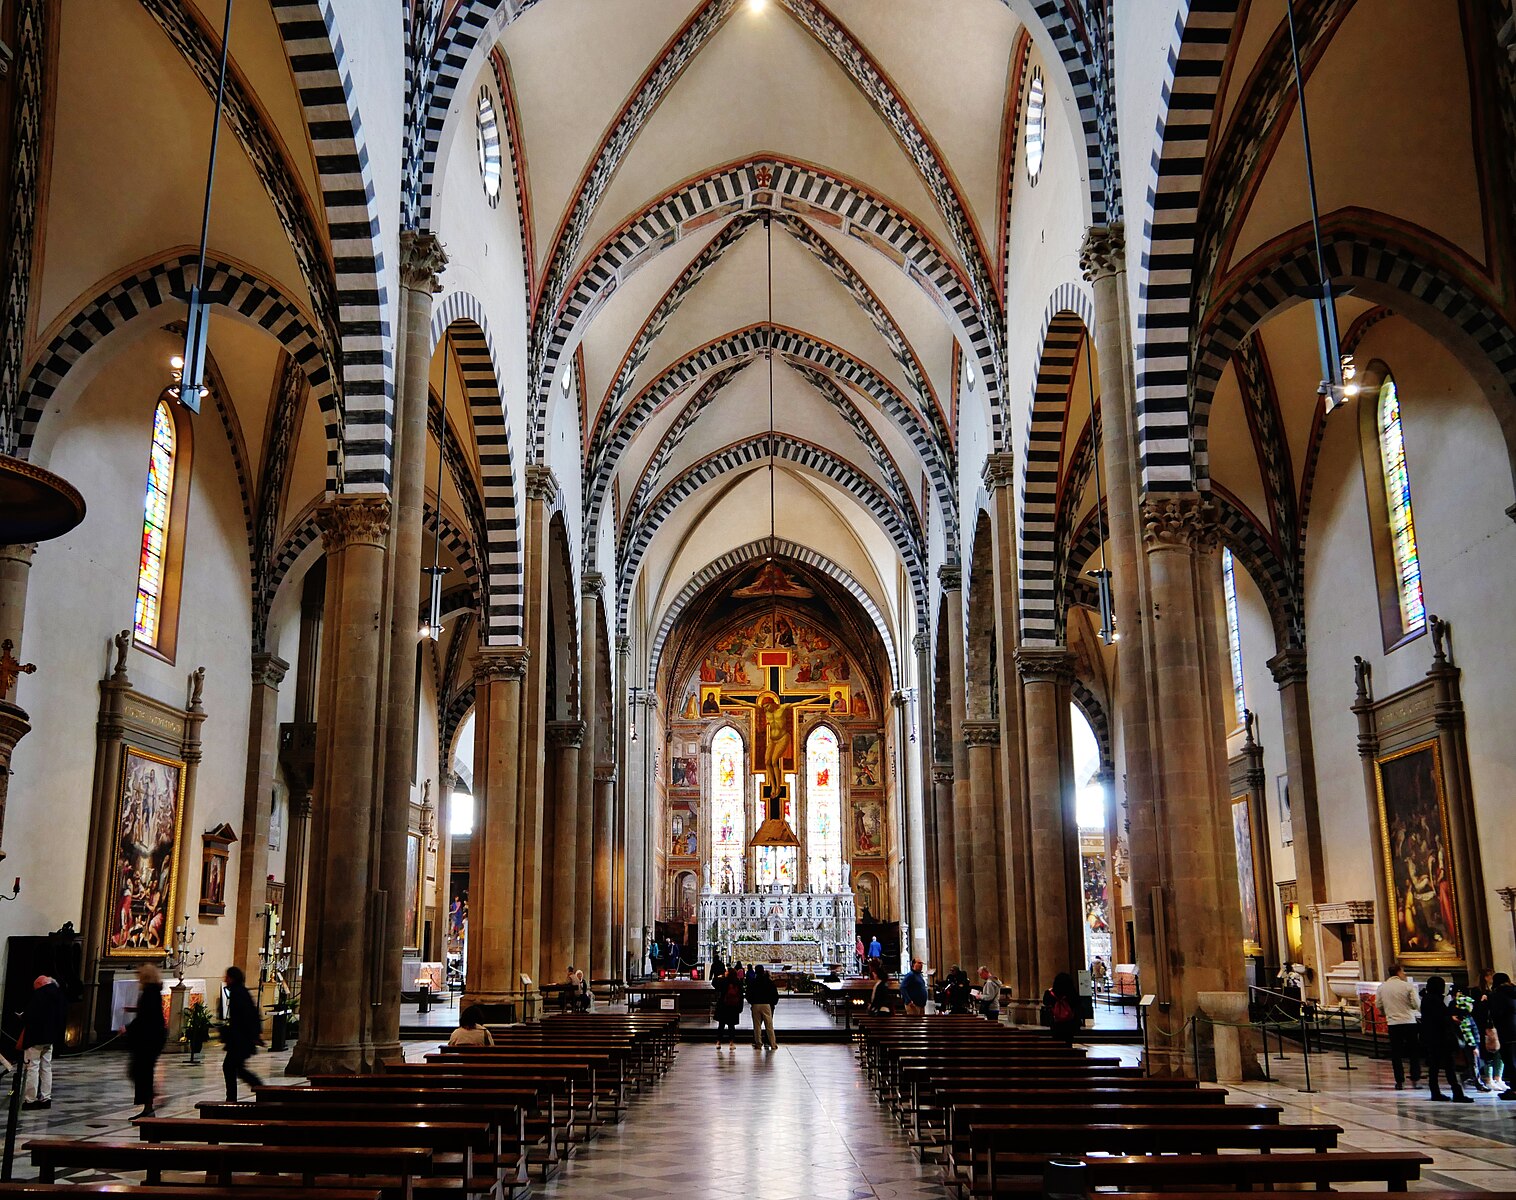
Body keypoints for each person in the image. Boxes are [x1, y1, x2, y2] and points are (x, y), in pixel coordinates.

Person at [1420, 975, 1471, 1101]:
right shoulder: (1434, 1000)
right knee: (1448, 1066)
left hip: (1432, 1037)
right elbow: (1439, 1019)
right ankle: (1456, 1092)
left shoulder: (1428, 998)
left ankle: (1437, 1091)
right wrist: (1451, 1019)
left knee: (1435, 1066)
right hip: (1440, 1038)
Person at [20, 974, 67, 1111]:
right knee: (46, 1067)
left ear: (40, 984)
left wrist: (23, 1017)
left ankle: (30, 1100)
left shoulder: (40, 995)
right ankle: (46, 1098)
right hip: (51, 1037)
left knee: (32, 1067)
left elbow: (30, 1014)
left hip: (35, 1037)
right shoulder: (59, 994)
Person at [125, 964, 166, 1119]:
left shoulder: (150, 992)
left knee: (140, 1071)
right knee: (141, 1072)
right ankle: (149, 1105)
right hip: (152, 1037)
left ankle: (151, 1102)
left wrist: (127, 1028)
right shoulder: (152, 991)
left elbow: (146, 1018)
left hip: (149, 1039)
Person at [222, 966, 264, 1102]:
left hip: (241, 1040)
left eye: (227, 977)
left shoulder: (238, 993)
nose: (225, 980)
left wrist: (252, 1036)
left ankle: (234, 1097)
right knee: (235, 1068)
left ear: (232, 978)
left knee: (230, 1067)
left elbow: (245, 1017)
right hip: (241, 1039)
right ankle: (259, 1090)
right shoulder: (239, 991)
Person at [1377, 961, 1421, 1090]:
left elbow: (1379, 1005)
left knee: (1396, 1053)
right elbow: (1416, 1004)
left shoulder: (1382, 987)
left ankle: (1399, 1081)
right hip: (1409, 1021)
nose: (1404, 974)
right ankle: (1415, 1078)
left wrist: (1386, 1013)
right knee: (1414, 1052)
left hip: (1393, 1023)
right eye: (1403, 971)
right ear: (1398, 972)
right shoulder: (1407, 986)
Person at [1491, 973, 1516, 1100]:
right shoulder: (1514, 991)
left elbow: (1496, 1014)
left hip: (1507, 1031)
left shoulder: (1498, 994)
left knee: (1510, 1062)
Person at [1043, 972, 1080, 1045]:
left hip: (1056, 1022)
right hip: (1069, 1022)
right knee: (1068, 1041)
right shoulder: (1072, 993)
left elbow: (1045, 1002)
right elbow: (1077, 1004)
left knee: (1056, 1041)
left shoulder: (1050, 993)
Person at [748, 965, 779, 1051]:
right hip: (766, 1004)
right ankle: (773, 1044)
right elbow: (774, 993)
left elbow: (748, 993)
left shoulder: (753, 982)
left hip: (756, 1005)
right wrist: (772, 1004)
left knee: (757, 1026)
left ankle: (758, 1043)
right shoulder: (768, 982)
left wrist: (752, 1002)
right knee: (769, 1025)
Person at [712, 965, 744, 1047]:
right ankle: (731, 1043)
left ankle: (718, 1042)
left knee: (721, 1025)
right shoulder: (738, 982)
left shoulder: (723, 981)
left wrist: (719, 976)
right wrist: (740, 1007)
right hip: (733, 1007)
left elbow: (714, 983)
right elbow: (741, 996)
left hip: (723, 1006)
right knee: (731, 1025)